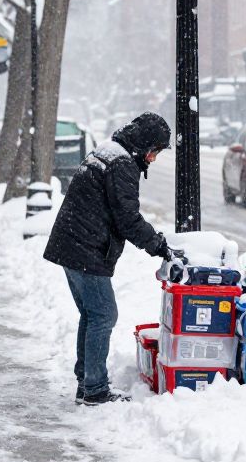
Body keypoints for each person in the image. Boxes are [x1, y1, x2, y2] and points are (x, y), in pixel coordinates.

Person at [43, 112, 176, 406]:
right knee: (103, 315)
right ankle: (95, 389)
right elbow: (127, 219)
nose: (153, 159)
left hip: (72, 244)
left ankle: (87, 382)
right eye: (154, 151)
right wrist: (159, 246)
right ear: (144, 146)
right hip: (86, 248)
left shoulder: (107, 151)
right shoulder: (121, 164)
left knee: (92, 315)